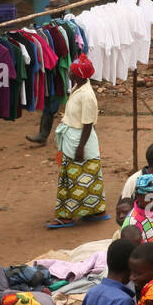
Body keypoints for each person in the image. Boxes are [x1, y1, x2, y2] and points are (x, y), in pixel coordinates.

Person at [51, 54, 107, 228]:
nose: (68, 72)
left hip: (79, 140)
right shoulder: (79, 87)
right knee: (85, 178)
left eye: (71, 70)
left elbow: (88, 124)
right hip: (73, 138)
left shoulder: (87, 95)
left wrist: (81, 147)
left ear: (77, 74)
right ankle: (95, 210)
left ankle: (66, 215)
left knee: (74, 179)